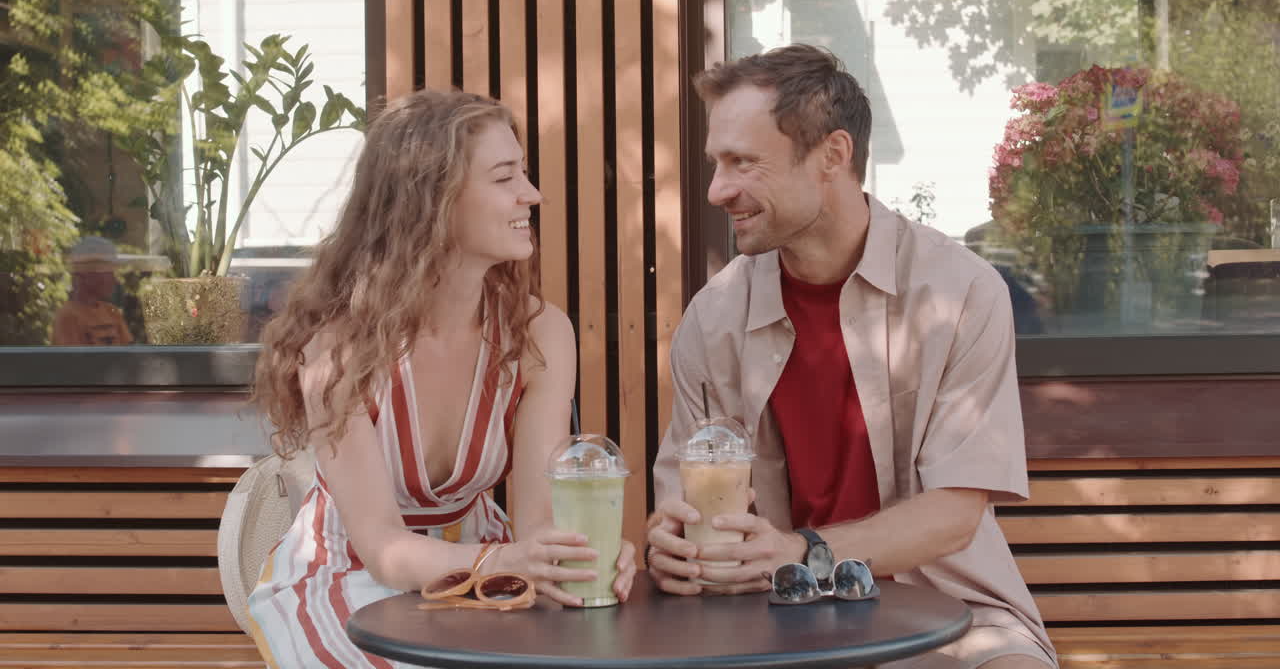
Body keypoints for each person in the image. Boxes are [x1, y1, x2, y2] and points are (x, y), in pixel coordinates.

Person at [645, 45, 1057, 669]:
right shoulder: (714, 317)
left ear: (832, 156)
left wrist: (799, 550)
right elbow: (683, 503)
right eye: (716, 164)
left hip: (949, 618)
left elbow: (953, 516)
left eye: (744, 163)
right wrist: (672, 547)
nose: (717, 190)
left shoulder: (961, 292)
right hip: (767, 623)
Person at [248, 89, 637, 668]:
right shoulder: (337, 348)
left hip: (485, 574)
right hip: (348, 578)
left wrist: (576, 555)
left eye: (523, 175)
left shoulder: (540, 334)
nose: (531, 195)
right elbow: (383, 552)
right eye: (505, 178)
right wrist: (514, 561)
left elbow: (535, 519)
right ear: (432, 201)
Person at [52, 235, 133, 346]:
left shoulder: (111, 312)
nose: (114, 280)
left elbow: (128, 355)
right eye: (109, 272)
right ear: (88, 276)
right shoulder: (68, 317)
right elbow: (73, 361)